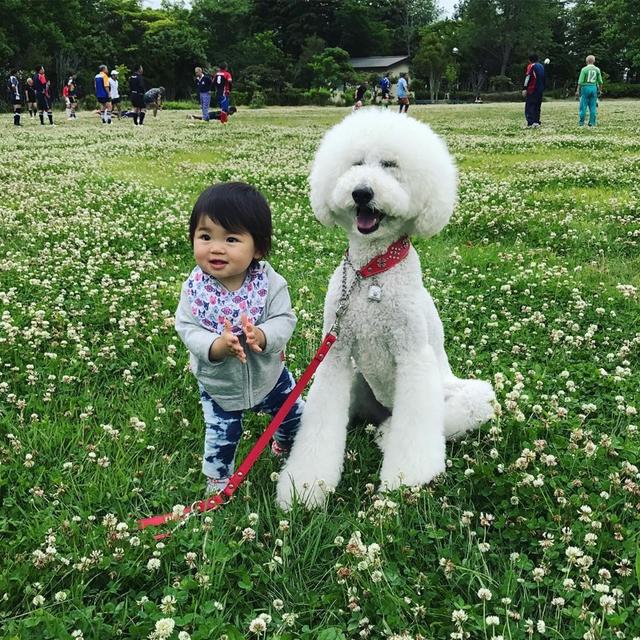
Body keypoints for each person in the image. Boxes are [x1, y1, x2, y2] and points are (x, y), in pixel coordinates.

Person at [174, 182, 303, 494]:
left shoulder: (269, 284)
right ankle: (218, 483)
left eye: (231, 239)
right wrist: (216, 346)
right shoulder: (195, 289)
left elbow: (285, 319)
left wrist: (262, 334)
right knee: (221, 435)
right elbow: (187, 327)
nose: (216, 247)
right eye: (205, 236)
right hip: (220, 385)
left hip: (270, 376)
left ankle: (286, 445)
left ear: (257, 248)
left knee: (295, 415)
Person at [576, 54, 603, 127]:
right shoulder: (597, 69)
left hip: (585, 87)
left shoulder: (584, 69)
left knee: (583, 106)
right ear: (594, 61)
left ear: (586, 61)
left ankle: (581, 123)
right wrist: (600, 90)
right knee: (593, 106)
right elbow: (600, 82)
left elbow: (580, 81)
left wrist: (578, 90)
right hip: (594, 87)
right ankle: (592, 123)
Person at [522, 53, 545, 128]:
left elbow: (528, 77)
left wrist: (525, 88)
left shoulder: (531, 66)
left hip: (532, 89)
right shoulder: (541, 66)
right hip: (540, 89)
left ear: (529, 60)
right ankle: (536, 122)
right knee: (537, 106)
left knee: (530, 106)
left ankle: (530, 122)